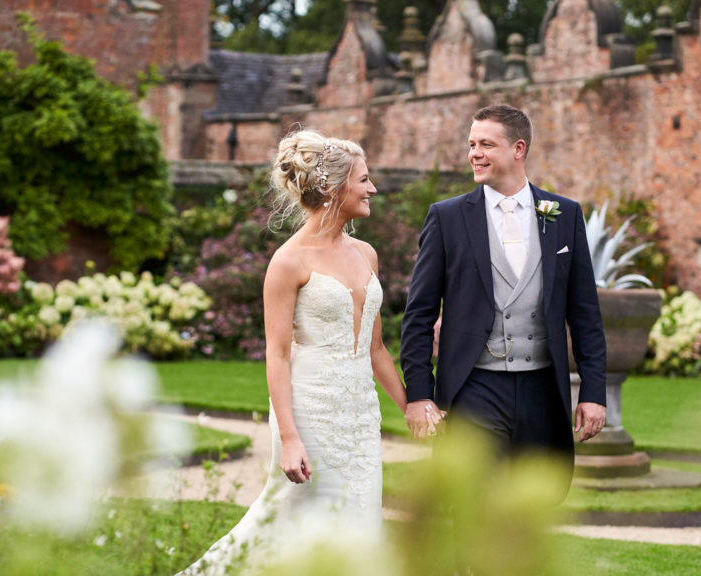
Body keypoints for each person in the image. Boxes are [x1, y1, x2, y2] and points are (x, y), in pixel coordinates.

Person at [176, 129, 414, 575]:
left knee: (360, 525)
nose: (373, 188)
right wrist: (289, 439)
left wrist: (412, 406)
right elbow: (278, 355)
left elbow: (376, 347)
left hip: (360, 417)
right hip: (310, 413)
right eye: (364, 180)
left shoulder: (367, 254)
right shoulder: (288, 262)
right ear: (333, 188)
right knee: (292, 523)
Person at [399, 104, 607, 488]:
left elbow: (585, 315)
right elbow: (419, 315)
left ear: (518, 149)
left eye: (486, 145)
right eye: (471, 144)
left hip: (543, 389)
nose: (474, 153)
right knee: (471, 503)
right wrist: (418, 395)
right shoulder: (446, 217)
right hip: (473, 388)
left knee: (535, 503)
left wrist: (594, 392)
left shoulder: (563, 214)